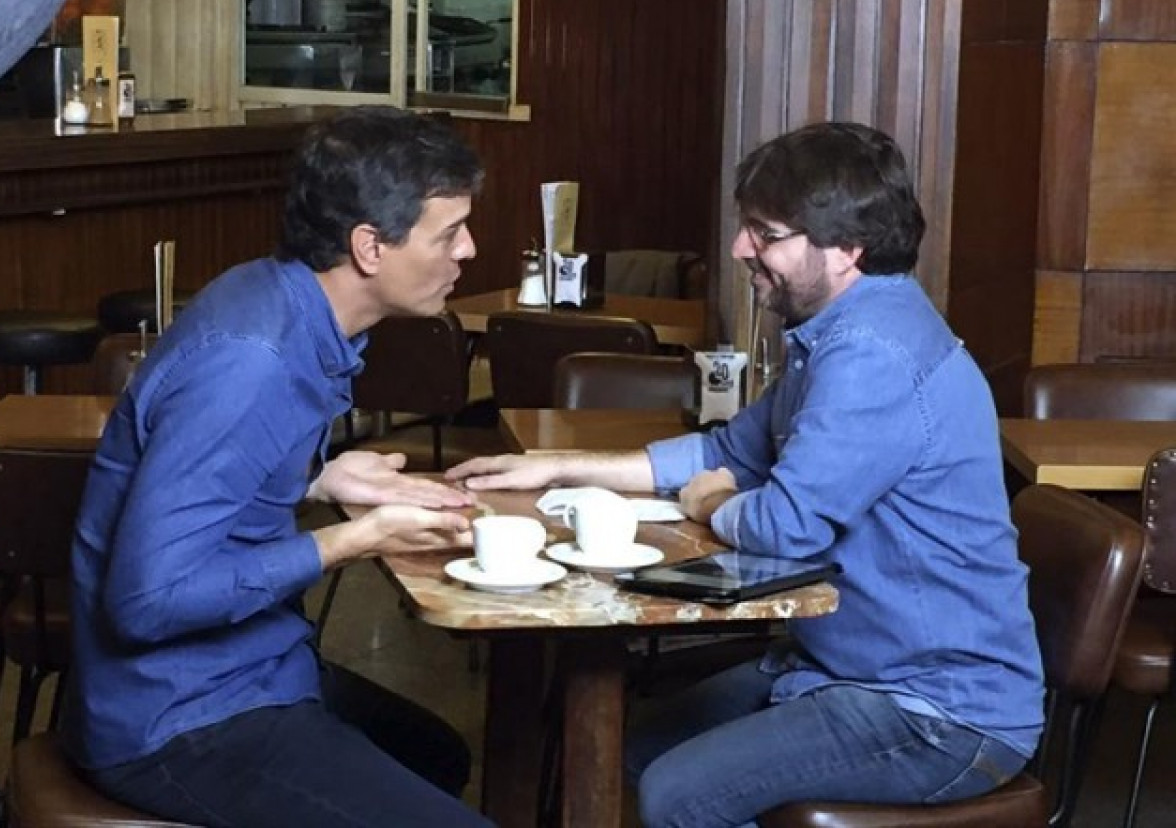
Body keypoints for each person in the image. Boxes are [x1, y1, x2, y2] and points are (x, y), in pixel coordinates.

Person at [446, 122, 1045, 827]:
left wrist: (713, 505)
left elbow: (783, 527)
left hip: (937, 710)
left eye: (765, 233)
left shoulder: (873, 352)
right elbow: (724, 453)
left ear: (847, 249)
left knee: (675, 794)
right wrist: (556, 467)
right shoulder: (840, 331)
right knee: (633, 754)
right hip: (843, 669)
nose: (739, 248)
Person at [63, 105, 495, 828]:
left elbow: (218, 468)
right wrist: (353, 538)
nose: (469, 250)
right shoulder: (251, 361)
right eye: (449, 232)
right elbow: (146, 602)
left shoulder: (275, 292)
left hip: (253, 667)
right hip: (177, 716)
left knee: (436, 756)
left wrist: (320, 477)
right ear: (370, 247)